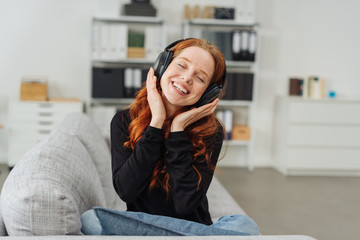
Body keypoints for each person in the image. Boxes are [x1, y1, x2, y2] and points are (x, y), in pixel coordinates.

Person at [81, 38, 259, 236]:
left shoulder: (211, 131)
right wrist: (156, 122)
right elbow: (126, 191)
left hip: (192, 227)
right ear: (162, 65)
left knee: (244, 225)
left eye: (200, 78)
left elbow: (185, 205)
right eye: (182, 65)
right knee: (90, 220)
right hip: (145, 226)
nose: (187, 78)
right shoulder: (124, 120)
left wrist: (177, 130)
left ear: (208, 93)